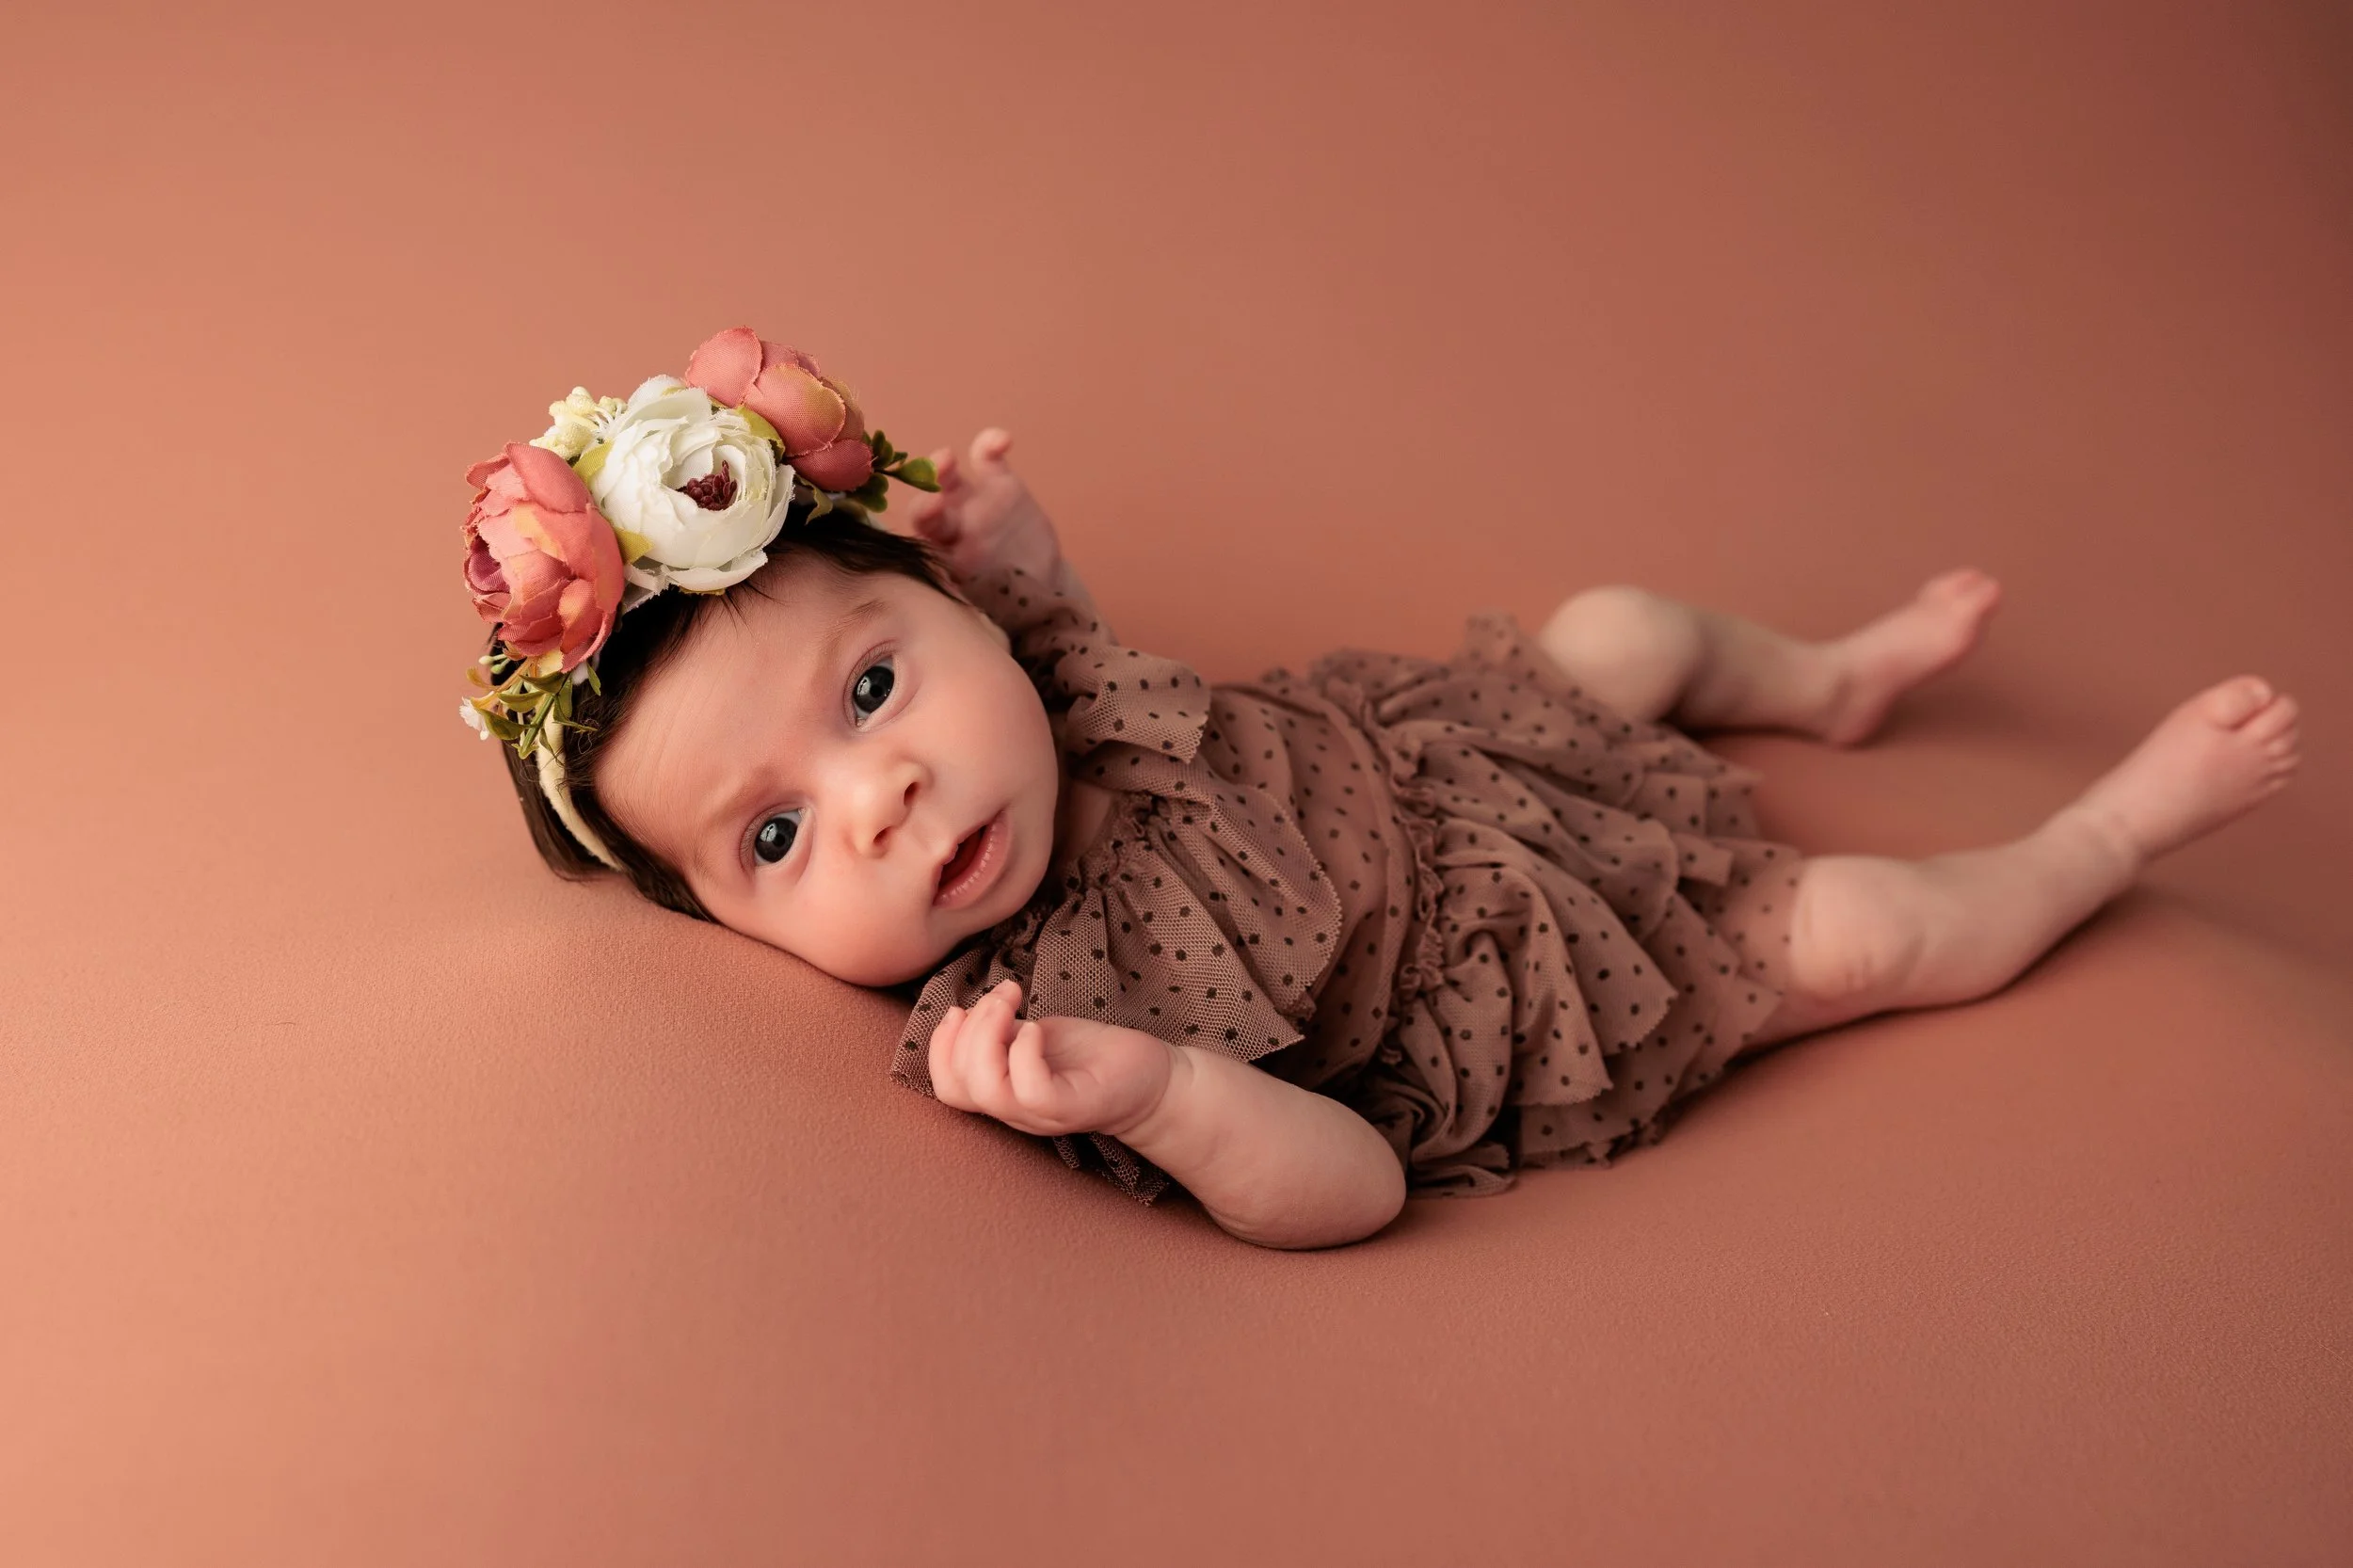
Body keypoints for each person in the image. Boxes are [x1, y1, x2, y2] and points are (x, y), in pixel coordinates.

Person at [457, 328, 2303, 1251]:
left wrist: (1031, 552)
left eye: (872, 684)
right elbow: (1347, 1190)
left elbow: (1054, 647)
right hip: (1497, 959)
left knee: (1624, 624)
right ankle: (2103, 835)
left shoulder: (1044, 687)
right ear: (725, 921)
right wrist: (1160, 1093)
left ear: (956, 619)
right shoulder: (1041, 1017)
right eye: (774, 836)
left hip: (1440, 748)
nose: (883, 796)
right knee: (1872, 921)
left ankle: (1822, 678)